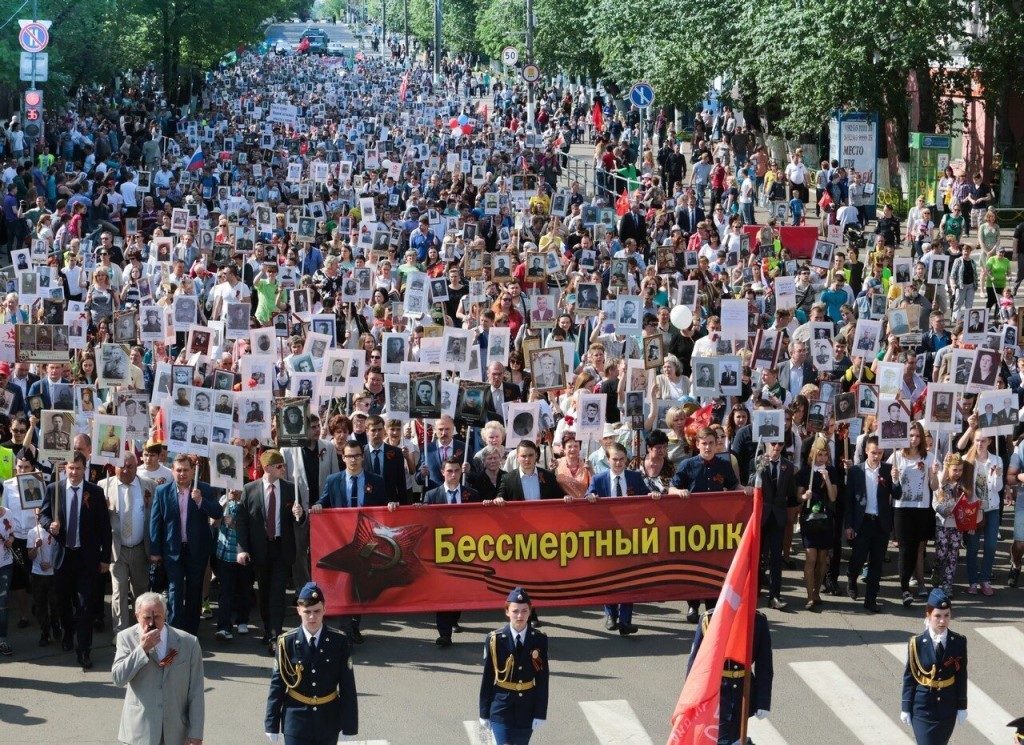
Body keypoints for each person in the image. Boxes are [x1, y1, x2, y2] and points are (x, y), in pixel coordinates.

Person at [40, 453, 110, 670]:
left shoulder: (95, 492)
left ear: (84, 469)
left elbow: (104, 528)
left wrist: (105, 558)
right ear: (65, 468)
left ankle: (84, 650)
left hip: (86, 558)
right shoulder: (54, 489)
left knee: (85, 605)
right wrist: (49, 524)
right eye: (70, 468)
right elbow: (43, 515)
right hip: (63, 556)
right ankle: (68, 632)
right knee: (63, 601)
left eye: (78, 468)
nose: (73, 473)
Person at [265, 582, 358, 744]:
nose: (312, 617)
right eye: (307, 612)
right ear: (299, 610)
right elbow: (277, 686)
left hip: (328, 720)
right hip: (296, 721)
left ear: (325, 610)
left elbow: (347, 686)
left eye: (317, 611)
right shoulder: (286, 642)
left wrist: (349, 725)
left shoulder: (339, 641)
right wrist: (271, 723)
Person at [111, 592, 205, 745]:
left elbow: (196, 691)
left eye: (157, 617)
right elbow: (118, 678)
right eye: (147, 617)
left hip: (176, 732)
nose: (152, 623)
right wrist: (142, 649)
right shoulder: (126, 638)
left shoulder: (189, 643)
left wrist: (196, 733)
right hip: (139, 732)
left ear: (166, 615)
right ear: (137, 616)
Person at [669, 426, 742, 621]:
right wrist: (679, 492)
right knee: (693, 565)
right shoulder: (687, 465)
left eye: (711, 443)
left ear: (716, 444)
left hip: (716, 524)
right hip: (693, 524)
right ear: (697, 444)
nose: (708, 447)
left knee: (713, 565)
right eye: (704, 443)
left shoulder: (724, 465)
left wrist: (748, 490)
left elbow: (734, 486)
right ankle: (692, 605)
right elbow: (671, 488)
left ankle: (711, 606)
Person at [236, 450, 305, 655]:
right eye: (279, 466)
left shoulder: (291, 489)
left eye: (283, 465)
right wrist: (242, 549)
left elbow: (300, 520)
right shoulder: (250, 490)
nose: (283, 469)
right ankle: (268, 630)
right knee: (264, 594)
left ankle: (276, 636)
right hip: (260, 549)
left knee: (277, 594)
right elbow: (242, 522)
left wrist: (299, 515)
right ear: (266, 468)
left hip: (282, 549)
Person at [583, 442, 655, 634]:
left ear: (627, 460)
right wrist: (590, 496)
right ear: (608, 460)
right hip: (607, 537)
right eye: (615, 459)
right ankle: (611, 614)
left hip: (631, 536)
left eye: (622, 459)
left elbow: (646, 495)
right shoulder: (599, 479)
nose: (618, 463)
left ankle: (625, 621)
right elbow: (587, 495)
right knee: (608, 577)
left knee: (629, 578)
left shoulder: (635, 477)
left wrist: (653, 495)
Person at [148, 454, 224, 635]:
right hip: (172, 550)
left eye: (186, 470)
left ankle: (190, 633)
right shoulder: (162, 491)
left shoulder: (203, 489)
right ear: (172, 471)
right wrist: (155, 551)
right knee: (174, 590)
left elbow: (217, 512)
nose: (182, 474)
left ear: (192, 471)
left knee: (194, 590)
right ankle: (174, 631)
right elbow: (155, 522)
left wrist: (200, 501)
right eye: (178, 470)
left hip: (196, 549)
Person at [686, 604, 773, 745]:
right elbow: (695, 664)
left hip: (743, 690)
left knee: (732, 736)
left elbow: (765, 665)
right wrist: (691, 697)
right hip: (716, 690)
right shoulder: (710, 619)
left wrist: (763, 700)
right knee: (724, 738)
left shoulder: (758, 621)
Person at [478, 587, 549, 745]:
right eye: (515, 611)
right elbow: (488, 677)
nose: (520, 615)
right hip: (501, 706)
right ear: (507, 611)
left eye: (524, 611)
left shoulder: (539, 639)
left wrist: (540, 712)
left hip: (527, 707)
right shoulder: (494, 639)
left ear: (530, 612)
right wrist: (484, 712)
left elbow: (542, 678)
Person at [423, 458, 481, 646]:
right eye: (449, 471)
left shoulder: (472, 494)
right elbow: (426, 522)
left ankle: (454, 617)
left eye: (456, 471)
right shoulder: (431, 496)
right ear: (442, 472)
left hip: (464, 550)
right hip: (441, 551)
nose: (453, 474)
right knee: (443, 591)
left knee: (458, 589)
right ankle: (444, 633)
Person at [900, 588, 968, 744]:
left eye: (946, 616)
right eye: (937, 616)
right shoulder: (916, 643)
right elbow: (909, 678)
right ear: (928, 616)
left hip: (947, 707)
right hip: (923, 709)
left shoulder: (958, 642)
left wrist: (962, 705)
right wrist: (905, 706)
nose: (942, 621)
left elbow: (961, 675)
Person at [101, 453, 158, 632]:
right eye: (121, 466)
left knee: (140, 591)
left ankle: (143, 630)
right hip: (117, 549)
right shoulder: (103, 486)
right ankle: (121, 633)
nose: (125, 470)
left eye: (130, 466)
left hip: (141, 547)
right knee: (118, 592)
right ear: (114, 466)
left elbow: (155, 518)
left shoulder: (149, 486)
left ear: (137, 466)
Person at [846, 436, 899, 613]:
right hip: (862, 522)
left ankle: (871, 599)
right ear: (866, 451)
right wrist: (849, 525)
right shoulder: (856, 471)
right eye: (873, 452)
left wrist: (896, 480)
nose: (876, 456)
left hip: (880, 523)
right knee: (858, 558)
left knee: (876, 563)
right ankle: (851, 578)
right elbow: (849, 501)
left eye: (880, 453)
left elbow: (897, 495)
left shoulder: (888, 470)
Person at [753, 441, 796, 610]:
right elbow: (750, 484)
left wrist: (802, 498)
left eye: (779, 444)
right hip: (761, 516)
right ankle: (754, 592)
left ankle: (775, 596)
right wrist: (759, 469)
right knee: (757, 556)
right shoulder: (757, 461)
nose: (776, 447)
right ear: (766, 444)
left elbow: (791, 495)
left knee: (776, 559)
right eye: (773, 444)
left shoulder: (788, 466)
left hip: (778, 518)